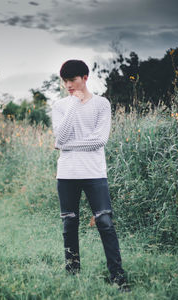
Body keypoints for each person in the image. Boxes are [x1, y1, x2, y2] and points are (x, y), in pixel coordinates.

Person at [52, 59, 128, 289]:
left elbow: (99, 141)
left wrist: (66, 145)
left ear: (85, 78)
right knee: (69, 224)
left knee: (105, 221)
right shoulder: (60, 106)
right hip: (67, 173)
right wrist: (74, 103)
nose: (68, 85)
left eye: (72, 80)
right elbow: (60, 137)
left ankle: (117, 276)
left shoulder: (102, 104)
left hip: (94, 172)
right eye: (65, 81)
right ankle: (73, 272)